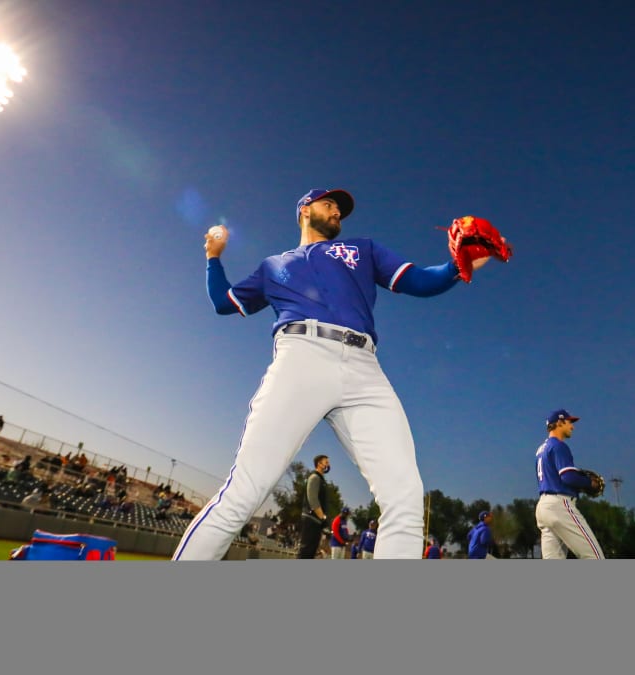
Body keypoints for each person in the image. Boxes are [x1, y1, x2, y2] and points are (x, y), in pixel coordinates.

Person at [172, 188, 492, 560]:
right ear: (305, 210)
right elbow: (222, 303)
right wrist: (214, 257)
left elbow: (419, 281)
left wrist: (458, 266)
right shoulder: (273, 266)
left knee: (404, 496)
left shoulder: (363, 249)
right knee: (245, 490)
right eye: (329, 203)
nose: (338, 210)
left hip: (365, 368)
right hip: (301, 356)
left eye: (340, 207)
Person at [535, 410, 605, 559]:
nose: (572, 427)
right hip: (560, 505)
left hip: (543, 507)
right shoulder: (559, 446)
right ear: (559, 423)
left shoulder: (541, 449)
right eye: (569, 422)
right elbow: (568, 477)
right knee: (595, 557)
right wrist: (589, 483)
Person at [297, 455, 332, 559]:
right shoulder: (314, 477)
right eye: (326, 462)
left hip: (316, 521)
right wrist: (323, 518)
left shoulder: (321, 480)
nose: (328, 464)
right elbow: (313, 500)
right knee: (305, 552)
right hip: (310, 519)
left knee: (311, 553)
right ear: (319, 464)